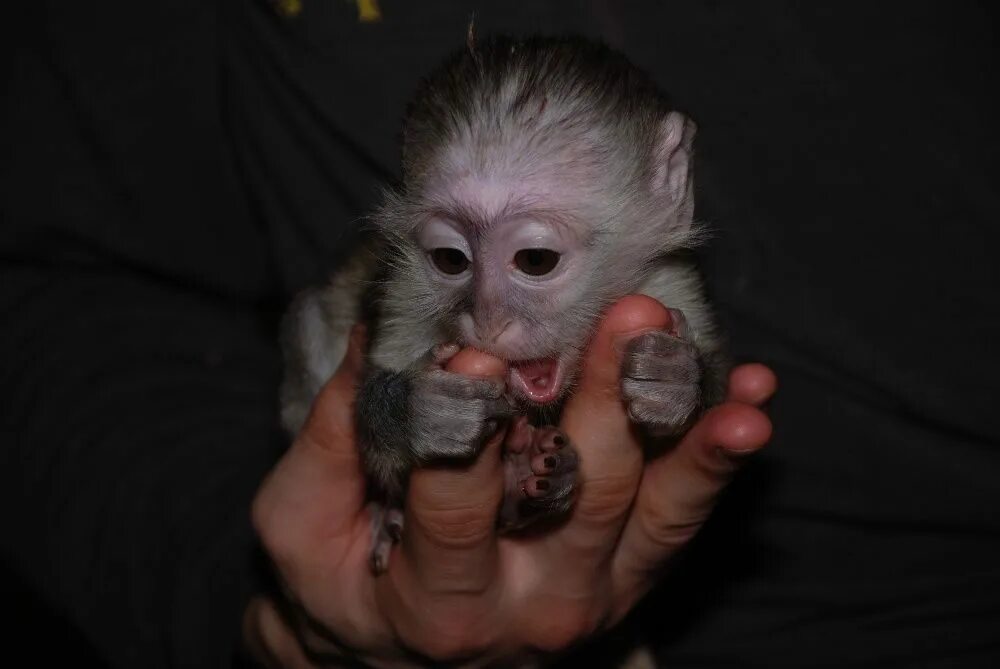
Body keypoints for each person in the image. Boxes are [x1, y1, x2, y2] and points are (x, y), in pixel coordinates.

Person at [2, 1, 997, 667]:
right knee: (324, 328)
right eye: (446, 258)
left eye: (534, 261)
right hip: (347, 577)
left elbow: (692, 383)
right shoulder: (412, 299)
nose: (486, 319)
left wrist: (672, 387)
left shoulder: (658, 288)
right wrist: (284, 609)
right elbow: (377, 417)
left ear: (665, 184)